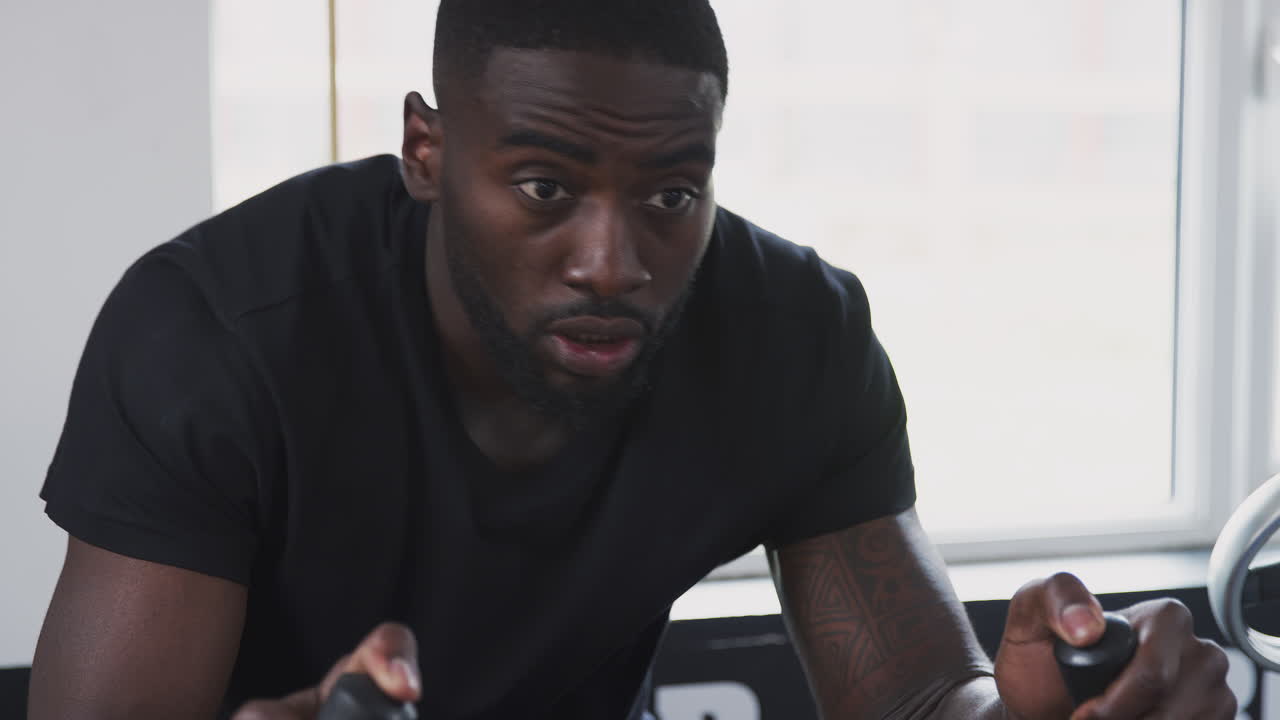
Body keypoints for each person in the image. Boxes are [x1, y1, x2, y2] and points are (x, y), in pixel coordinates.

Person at [28, 1, 1233, 718]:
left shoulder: (788, 336)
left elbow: (919, 699)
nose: (613, 262)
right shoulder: (217, 340)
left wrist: (1051, 713)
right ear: (425, 149)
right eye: (545, 186)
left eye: (670, 192)